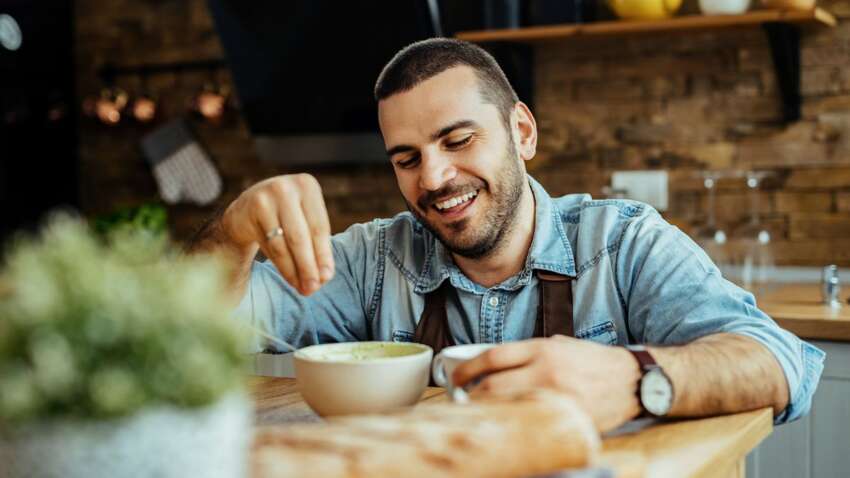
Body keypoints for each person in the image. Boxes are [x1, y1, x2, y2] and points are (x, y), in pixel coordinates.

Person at [189, 38, 823, 431]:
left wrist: (634, 379)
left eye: (458, 140)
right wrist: (234, 234)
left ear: (522, 133)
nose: (434, 177)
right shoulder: (369, 261)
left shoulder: (622, 242)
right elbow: (194, 325)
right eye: (406, 159)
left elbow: (779, 363)